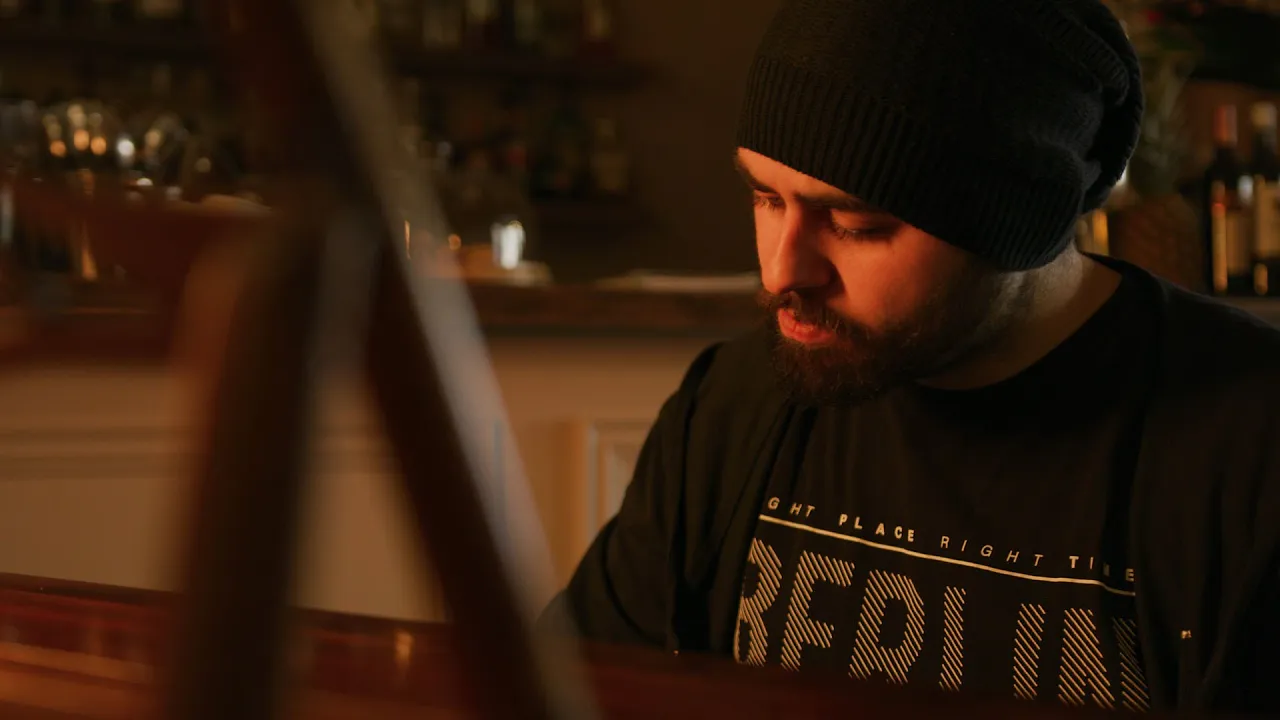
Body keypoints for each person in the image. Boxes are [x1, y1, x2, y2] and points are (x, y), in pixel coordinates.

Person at [538, 0, 1280, 714]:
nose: (782, 270)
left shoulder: (1248, 446)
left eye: (856, 223)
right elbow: (565, 688)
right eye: (766, 198)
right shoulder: (733, 406)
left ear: (1016, 223)